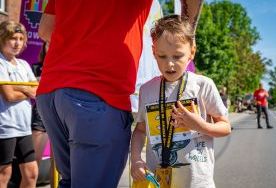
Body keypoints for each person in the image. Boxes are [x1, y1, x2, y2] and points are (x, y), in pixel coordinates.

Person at [36, 0, 204, 187]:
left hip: (51, 91)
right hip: (98, 92)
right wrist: (187, 34)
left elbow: (45, 29)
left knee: (70, 181)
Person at [130, 15, 231, 188]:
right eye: (162, 56)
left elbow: (225, 127)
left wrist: (201, 125)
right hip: (157, 181)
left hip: (197, 183)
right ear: (154, 52)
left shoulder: (203, 85)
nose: (169, 64)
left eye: (177, 56)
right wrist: (136, 160)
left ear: (191, 52)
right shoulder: (147, 90)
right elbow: (140, 131)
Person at [0, 21, 38, 188]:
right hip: (4, 127)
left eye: (21, 39)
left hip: (24, 127)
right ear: (2, 39)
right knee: (4, 174)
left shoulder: (24, 65)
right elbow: (8, 96)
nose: (17, 43)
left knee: (31, 174)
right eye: (13, 38)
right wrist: (26, 88)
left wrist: (18, 87)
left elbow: (36, 92)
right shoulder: (0, 63)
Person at [31, 42, 49, 162]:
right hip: (41, 113)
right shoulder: (36, 68)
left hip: (64, 112)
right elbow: (33, 92)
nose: (51, 46)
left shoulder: (68, 67)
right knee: (34, 159)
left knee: (63, 162)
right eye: (48, 44)